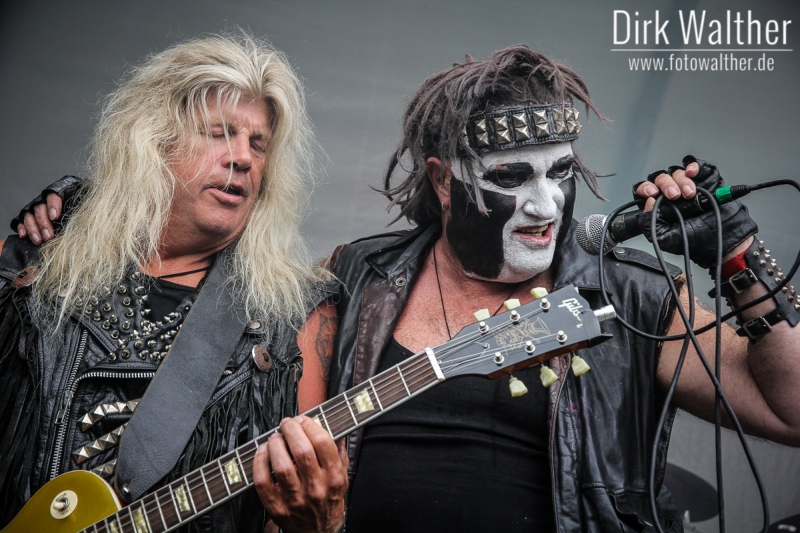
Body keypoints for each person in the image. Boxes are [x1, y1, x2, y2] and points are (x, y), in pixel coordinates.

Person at [16, 45, 800, 532]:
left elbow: (789, 411)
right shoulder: (357, 275)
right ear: (444, 180)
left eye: (561, 173)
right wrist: (85, 216)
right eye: (511, 177)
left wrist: (738, 257)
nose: (546, 205)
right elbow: (220, 334)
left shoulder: (624, 297)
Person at [0, 34, 347, 533]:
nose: (243, 158)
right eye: (219, 133)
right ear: (155, 139)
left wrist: (321, 527)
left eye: (258, 144)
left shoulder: (291, 319)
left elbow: (294, 507)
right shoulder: (35, 265)